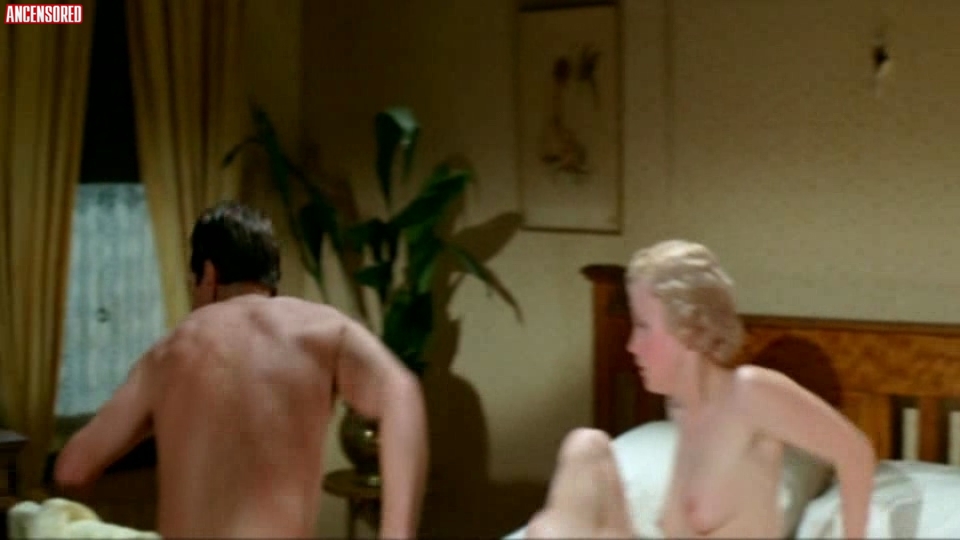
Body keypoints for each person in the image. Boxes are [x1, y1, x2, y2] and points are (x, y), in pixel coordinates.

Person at [53, 201, 428, 539]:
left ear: (209, 274)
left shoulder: (168, 353)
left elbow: (72, 469)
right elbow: (402, 391)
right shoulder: (324, 330)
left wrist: (156, 416)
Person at [525, 239, 876, 539]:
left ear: (689, 327)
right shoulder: (680, 409)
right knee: (585, 447)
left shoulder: (750, 392)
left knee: (551, 531)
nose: (631, 346)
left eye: (643, 327)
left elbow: (856, 453)